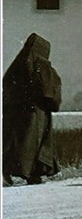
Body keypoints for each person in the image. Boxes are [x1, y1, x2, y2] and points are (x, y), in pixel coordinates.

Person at [3, 33, 62, 186]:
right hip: (36, 112)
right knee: (31, 143)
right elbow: (48, 92)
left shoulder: (17, 66)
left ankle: (26, 173)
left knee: (20, 142)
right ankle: (28, 173)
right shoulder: (41, 65)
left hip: (16, 111)